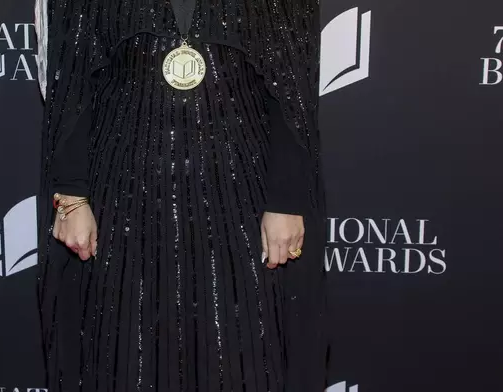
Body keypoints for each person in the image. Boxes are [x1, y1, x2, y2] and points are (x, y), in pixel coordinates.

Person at [33, 0, 328, 391]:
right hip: (121, 197)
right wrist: (71, 195)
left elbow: (291, 93)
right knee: (123, 352)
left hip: (242, 196)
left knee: (241, 352)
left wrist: (287, 200)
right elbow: (72, 81)